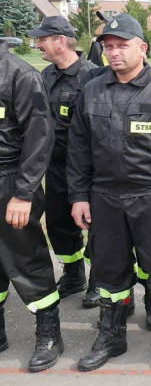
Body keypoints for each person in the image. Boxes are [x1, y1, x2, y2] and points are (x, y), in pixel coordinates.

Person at [68, 14, 151, 373]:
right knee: (108, 271)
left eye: (122, 45)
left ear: (142, 48)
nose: (114, 52)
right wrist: (78, 196)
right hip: (104, 196)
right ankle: (112, 335)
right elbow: (77, 149)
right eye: (108, 46)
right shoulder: (91, 90)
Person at [0, 37, 63, 372]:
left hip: (9, 182)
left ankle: (49, 332)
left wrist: (23, 193)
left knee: (26, 259)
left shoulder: (19, 74)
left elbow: (39, 136)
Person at [27, 17, 97, 301]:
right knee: (58, 223)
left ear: (59, 41)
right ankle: (73, 274)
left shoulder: (93, 76)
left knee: (96, 224)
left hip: (89, 166)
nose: (37, 44)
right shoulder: (45, 75)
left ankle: (100, 278)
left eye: (42, 39)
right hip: (54, 165)